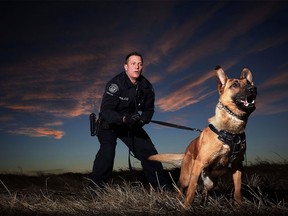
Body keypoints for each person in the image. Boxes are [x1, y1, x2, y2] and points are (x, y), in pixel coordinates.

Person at [90, 51, 170, 190]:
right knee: (107, 152)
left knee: (149, 152)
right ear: (126, 67)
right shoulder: (115, 84)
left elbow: (149, 110)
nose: (137, 67)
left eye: (140, 64)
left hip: (130, 124)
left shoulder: (146, 86)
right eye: (133, 64)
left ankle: (164, 189)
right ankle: (94, 190)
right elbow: (106, 111)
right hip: (109, 124)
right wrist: (123, 118)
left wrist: (144, 119)